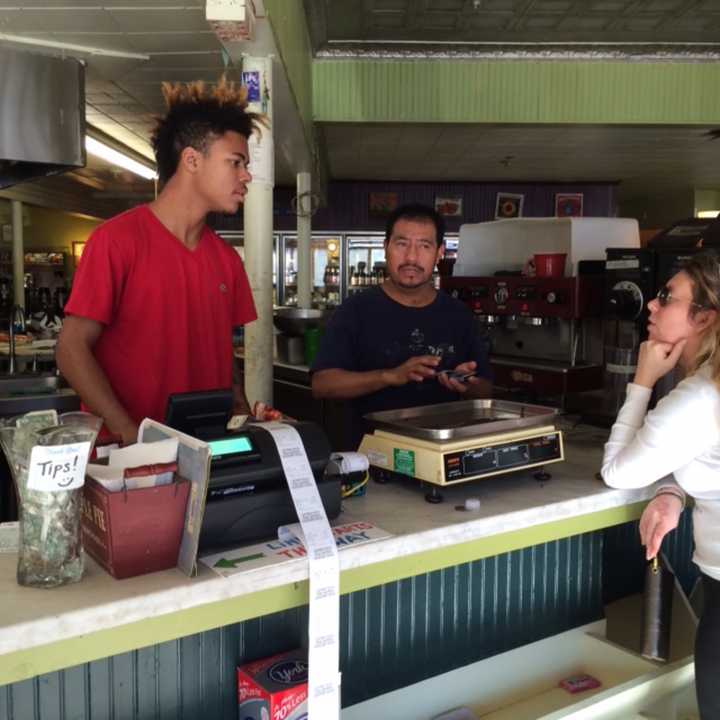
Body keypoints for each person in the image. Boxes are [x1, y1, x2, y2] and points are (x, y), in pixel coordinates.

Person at [56, 79, 263, 444]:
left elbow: (222, 349)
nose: (246, 176)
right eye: (236, 162)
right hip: (128, 462)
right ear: (192, 160)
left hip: (205, 451)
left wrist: (239, 408)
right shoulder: (116, 241)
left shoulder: (227, 260)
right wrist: (128, 433)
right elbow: (71, 350)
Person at [601, 252, 720, 719]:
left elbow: (617, 472)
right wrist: (672, 490)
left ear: (705, 317)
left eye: (667, 297)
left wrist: (643, 380)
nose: (651, 304)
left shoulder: (698, 396)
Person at [311, 203, 492, 446]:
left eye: (424, 246)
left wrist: (467, 384)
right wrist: (389, 376)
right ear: (385, 248)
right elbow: (322, 385)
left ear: (440, 252)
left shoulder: (459, 315)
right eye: (401, 243)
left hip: (439, 452)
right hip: (369, 458)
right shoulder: (354, 310)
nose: (411, 257)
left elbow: (485, 390)